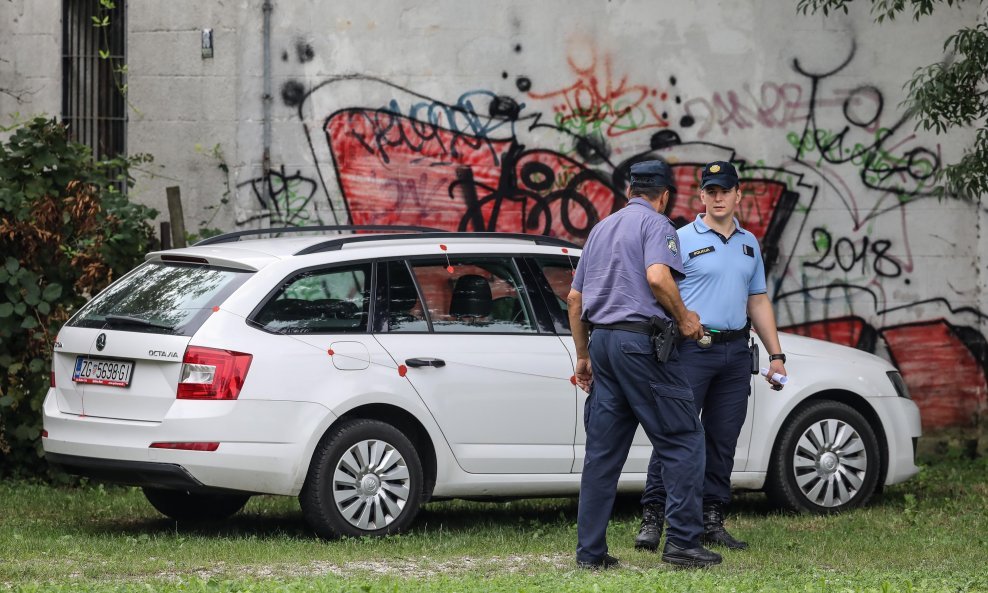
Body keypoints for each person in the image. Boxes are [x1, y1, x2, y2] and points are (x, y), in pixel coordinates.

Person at [569, 159, 722, 570]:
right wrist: (686, 317)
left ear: (630, 191)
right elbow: (657, 277)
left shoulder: (600, 229)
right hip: (640, 346)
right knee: (685, 438)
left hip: (601, 343)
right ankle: (684, 545)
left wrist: (583, 356)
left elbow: (574, 300)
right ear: (665, 195)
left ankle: (590, 553)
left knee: (602, 455)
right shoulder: (658, 226)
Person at [634, 160, 788, 553]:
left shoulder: (749, 243)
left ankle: (711, 519)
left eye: (725, 190)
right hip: (692, 349)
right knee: (677, 434)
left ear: (738, 194)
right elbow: (658, 288)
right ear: (700, 196)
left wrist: (777, 354)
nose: (718, 198)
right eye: (710, 191)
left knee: (723, 439)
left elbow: (758, 299)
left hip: (735, 352)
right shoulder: (678, 237)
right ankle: (653, 517)